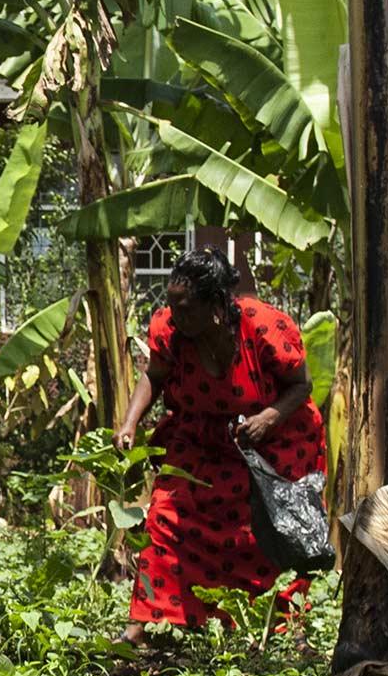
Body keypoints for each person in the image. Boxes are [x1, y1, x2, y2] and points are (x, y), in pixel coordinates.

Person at [114, 246, 325, 644]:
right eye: (172, 306)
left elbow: (302, 385)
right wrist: (129, 423)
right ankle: (140, 626)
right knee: (165, 516)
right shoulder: (169, 330)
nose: (176, 316)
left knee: (272, 534)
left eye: (186, 308)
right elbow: (154, 376)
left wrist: (268, 418)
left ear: (214, 306)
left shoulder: (263, 327)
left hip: (273, 444)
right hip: (201, 441)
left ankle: (285, 629)